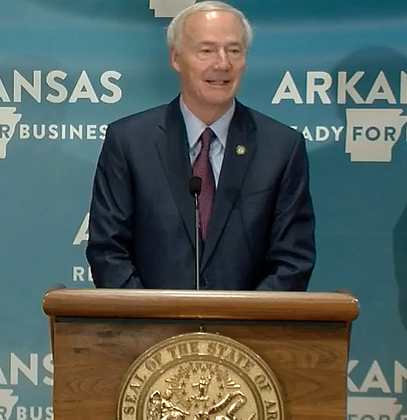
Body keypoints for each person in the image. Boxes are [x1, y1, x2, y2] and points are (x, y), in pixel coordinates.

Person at [85, 1, 315, 291]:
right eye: (206, 50)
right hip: (150, 332)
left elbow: (292, 261)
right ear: (176, 58)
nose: (222, 64)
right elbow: (108, 251)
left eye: (234, 50)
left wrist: (239, 331)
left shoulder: (281, 147)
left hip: (248, 333)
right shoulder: (129, 141)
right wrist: (154, 326)